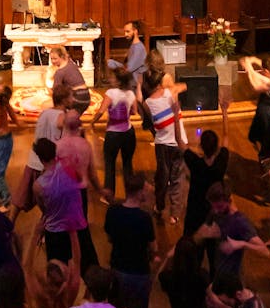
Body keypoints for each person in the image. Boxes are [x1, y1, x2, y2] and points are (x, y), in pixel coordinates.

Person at [104, 172, 157, 308]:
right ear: (140, 192)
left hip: (116, 269)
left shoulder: (113, 211)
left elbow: (109, 238)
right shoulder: (145, 218)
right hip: (139, 274)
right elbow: (153, 248)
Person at [32, 138, 96, 270]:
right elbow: (81, 181)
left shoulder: (38, 186)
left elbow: (44, 208)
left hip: (55, 231)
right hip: (77, 225)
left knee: (58, 271)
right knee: (86, 267)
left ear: (40, 158)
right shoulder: (70, 166)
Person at [193, 180, 268, 283]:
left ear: (229, 200)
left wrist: (242, 244)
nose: (215, 211)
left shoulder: (240, 222)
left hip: (232, 282)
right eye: (213, 207)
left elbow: (264, 251)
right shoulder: (216, 212)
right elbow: (197, 237)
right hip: (219, 275)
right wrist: (203, 234)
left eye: (219, 207)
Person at [143, 67, 187, 224]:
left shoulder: (147, 103)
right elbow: (184, 86)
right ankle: (174, 213)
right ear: (159, 83)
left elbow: (151, 122)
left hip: (162, 145)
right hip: (179, 143)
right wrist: (170, 83)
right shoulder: (171, 92)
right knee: (178, 179)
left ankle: (160, 206)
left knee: (162, 177)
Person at [91, 68, 137, 195]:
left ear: (118, 81)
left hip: (113, 134)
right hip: (129, 133)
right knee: (127, 164)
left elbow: (101, 111)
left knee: (110, 164)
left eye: (112, 77)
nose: (110, 79)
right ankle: (130, 195)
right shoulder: (131, 93)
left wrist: (92, 122)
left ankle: (109, 195)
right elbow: (134, 111)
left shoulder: (110, 93)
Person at [183, 129, 229, 236]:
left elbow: (179, 141)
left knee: (191, 240)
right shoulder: (220, 163)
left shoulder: (195, 163)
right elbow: (226, 136)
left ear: (201, 146)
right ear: (217, 147)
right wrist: (225, 117)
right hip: (215, 211)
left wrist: (176, 119)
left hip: (195, 210)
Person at [108, 19, 147, 91]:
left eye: (128, 32)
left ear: (135, 31)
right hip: (131, 80)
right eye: (125, 32)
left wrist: (113, 64)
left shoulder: (139, 48)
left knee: (110, 63)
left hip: (135, 84)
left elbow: (128, 69)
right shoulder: (134, 45)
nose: (125, 34)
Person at [49, 48, 89, 113]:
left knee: (45, 105)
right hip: (86, 97)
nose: (53, 61)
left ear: (62, 57)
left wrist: (49, 89)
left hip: (77, 99)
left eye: (55, 59)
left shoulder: (60, 72)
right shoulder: (70, 63)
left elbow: (56, 93)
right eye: (51, 59)